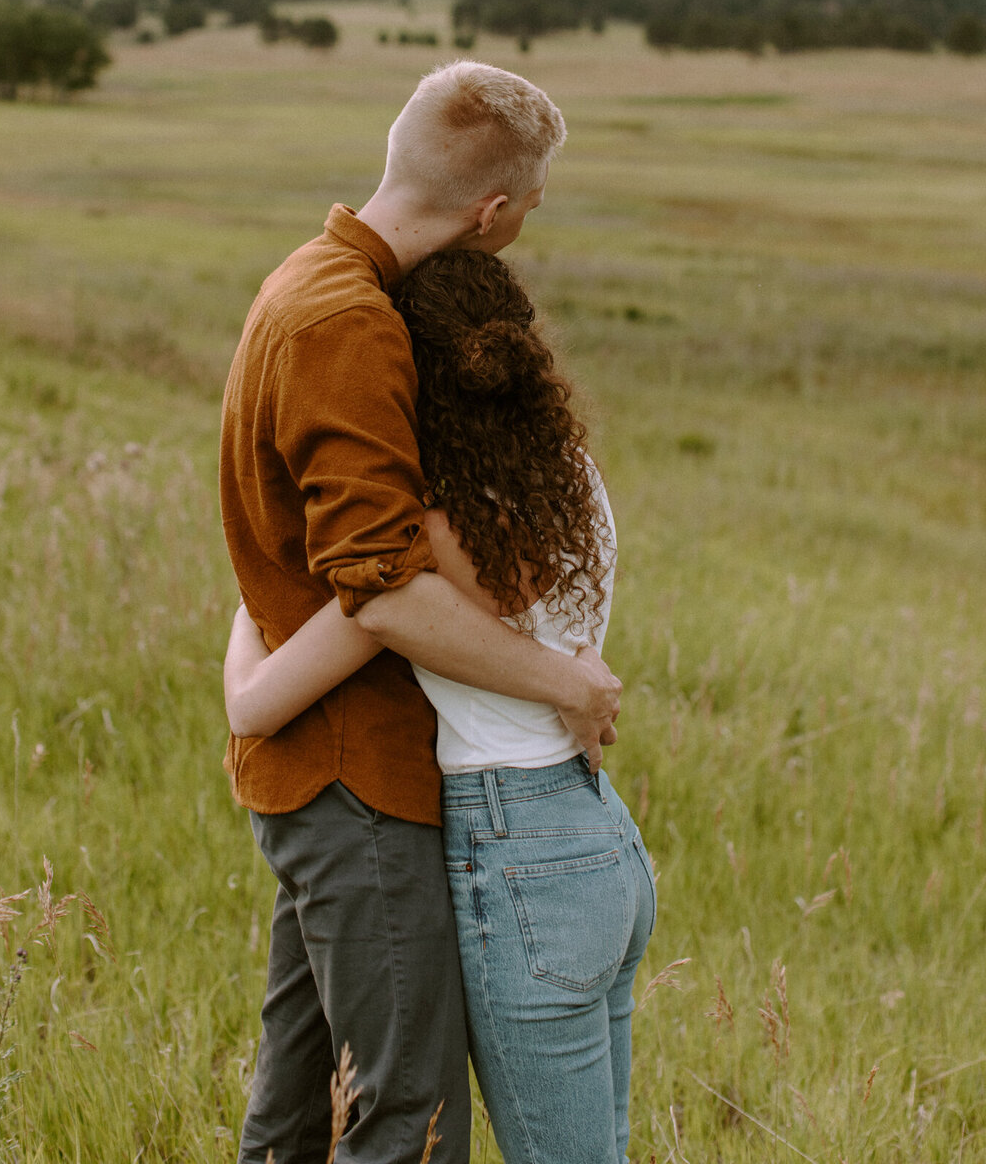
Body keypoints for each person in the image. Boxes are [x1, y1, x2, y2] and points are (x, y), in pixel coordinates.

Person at [220, 61, 623, 1164]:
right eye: (529, 207)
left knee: (300, 1104)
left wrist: (252, 677)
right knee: (411, 1117)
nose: (525, 227)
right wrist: (568, 682)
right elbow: (384, 587)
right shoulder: (351, 324)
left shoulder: (307, 279)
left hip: (320, 753)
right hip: (358, 774)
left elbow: (311, 555)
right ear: (491, 210)